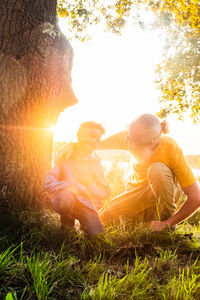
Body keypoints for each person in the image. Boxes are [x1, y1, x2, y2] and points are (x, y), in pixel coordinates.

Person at [99, 114, 200, 231]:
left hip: (165, 190)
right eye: (129, 140)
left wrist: (167, 223)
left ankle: (164, 223)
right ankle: (143, 216)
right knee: (102, 218)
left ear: (151, 143)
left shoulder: (170, 148)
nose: (130, 146)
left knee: (156, 170)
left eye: (135, 145)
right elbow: (92, 144)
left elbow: (196, 198)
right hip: (137, 192)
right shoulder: (130, 136)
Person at [44, 121, 110, 236]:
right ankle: (67, 226)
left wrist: (91, 186)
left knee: (98, 236)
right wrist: (67, 186)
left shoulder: (97, 164)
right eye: (91, 136)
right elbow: (49, 181)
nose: (93, 140)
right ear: (79, 135)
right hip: (68, 198)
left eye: (97, 138)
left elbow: (105, 192)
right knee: (65, 198)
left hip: (87, 204)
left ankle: (87, 225)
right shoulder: (65, 157)